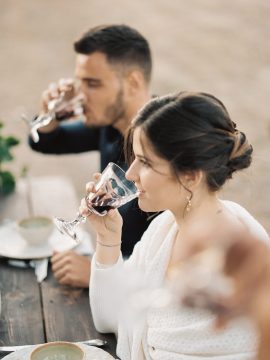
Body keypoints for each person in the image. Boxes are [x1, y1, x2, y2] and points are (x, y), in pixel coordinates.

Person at [81, 92, 269, 359]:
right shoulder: (163, 230)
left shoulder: (231, 272)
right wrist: (108, 238)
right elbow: (111, 317)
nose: (131, 174)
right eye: (134, 158)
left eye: (144, 162)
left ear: (190, 176)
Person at [29, 24, 153, 287]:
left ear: (133, 83)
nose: (80, 96)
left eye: (92, 84)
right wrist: (51, 113)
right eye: (79, 82)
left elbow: (174, 258)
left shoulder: (165, 145)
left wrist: (99, 273)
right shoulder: (111, 123)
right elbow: (44, 142)